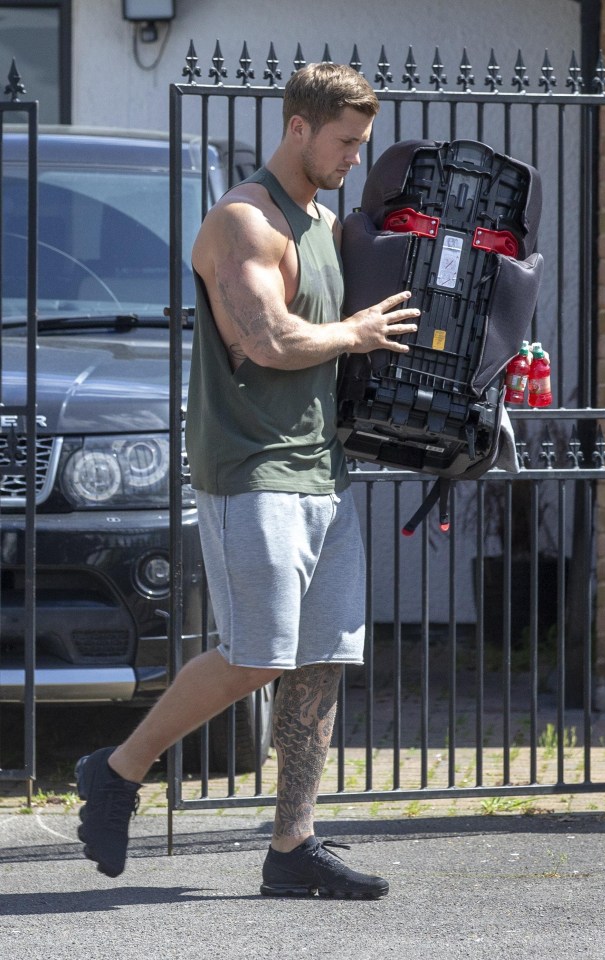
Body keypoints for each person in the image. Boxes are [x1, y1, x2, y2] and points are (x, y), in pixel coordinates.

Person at [75, 62, 420, 899]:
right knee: (258, 653)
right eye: (343, 143)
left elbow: (357, 339)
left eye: (361, 145)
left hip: (322, 469)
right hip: (251, 470)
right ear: (298, 127)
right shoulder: (242, 222)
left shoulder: (327, 225)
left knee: (321, 659)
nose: (351, 158)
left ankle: (292, 846)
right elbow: (269, 339)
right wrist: (357, 332)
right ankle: (116, 769)